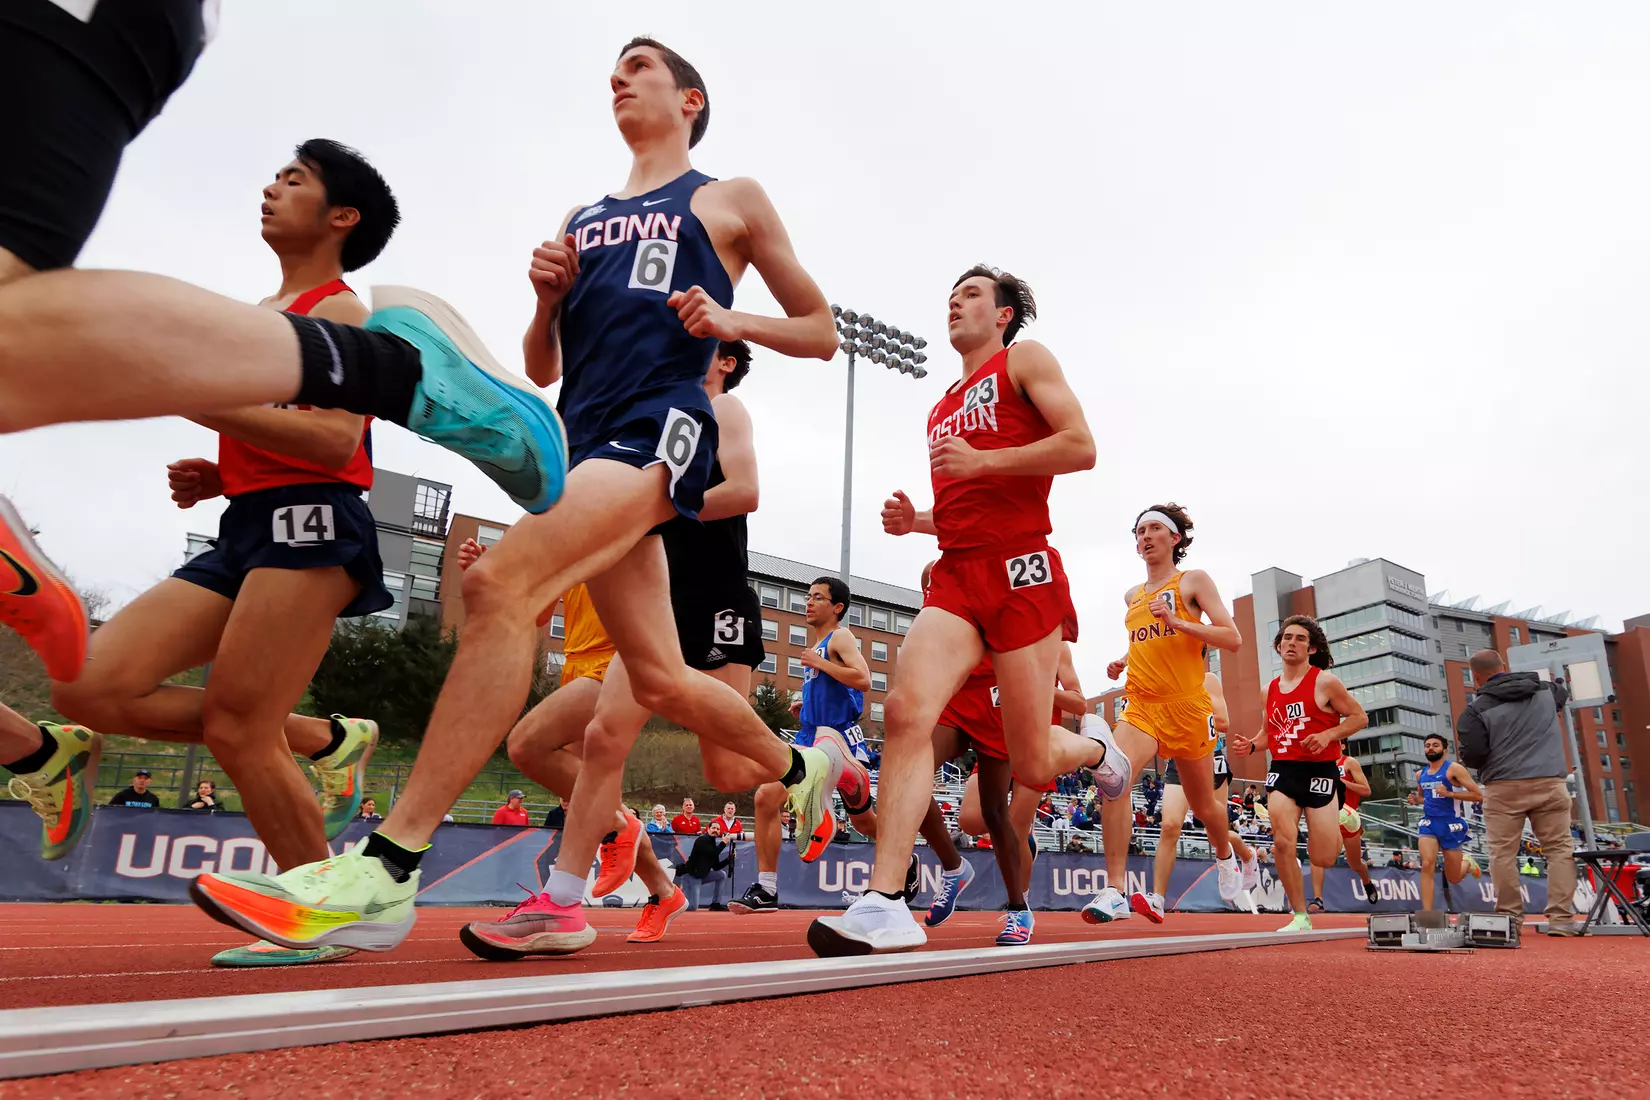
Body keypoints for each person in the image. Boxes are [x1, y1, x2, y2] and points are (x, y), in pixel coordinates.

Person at [190, 38, 840, 956]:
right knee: (656, 674)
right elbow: (547, 365)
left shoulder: (726, 198)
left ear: (689, 100)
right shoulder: (582, 216)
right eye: (612, 71)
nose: (618, 80)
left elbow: (819, 331)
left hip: (661, 428)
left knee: (500, 586)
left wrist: (733, 319)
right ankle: (801, 764)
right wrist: (546, 300)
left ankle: (385, 868)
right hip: (581, 432)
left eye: (639, 68)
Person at [43, 143, 388, 883]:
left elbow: (334, 441)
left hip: (313, 523)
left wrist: (184, 396)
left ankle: (319, 902)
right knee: (89, 687)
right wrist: (228, 472)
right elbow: (275, 425)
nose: (269, 187)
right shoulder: (258, 316)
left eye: (293, 180)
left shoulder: (340, 308)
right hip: (248, 526)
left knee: (239, 729)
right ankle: (327, 740)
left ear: (340, 217)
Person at [810, 266, 1127, 957]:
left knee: (1035, 762)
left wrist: (986, 464)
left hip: (1022, 571)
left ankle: (1101, 749)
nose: (955, 303)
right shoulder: (941, 405)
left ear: (1005, 314)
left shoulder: (1027, 361)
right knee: (904, 712)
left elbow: (1081, 446)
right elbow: (967, 511)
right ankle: (887, 898)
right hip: (957, 575)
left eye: (972, 294)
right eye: (950, 296)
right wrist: (918, 522)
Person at [467, 338, 786, 954]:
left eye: (706, 347)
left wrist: (657, 506)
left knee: (726, 769)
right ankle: (563, 902)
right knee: (593, 739)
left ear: (726, 362)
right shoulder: (659, 422)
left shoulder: (726, 412)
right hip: (658, 603)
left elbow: (744, 491)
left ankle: (816, 772)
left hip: (715, 603)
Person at [1085, 504, 1249, 924]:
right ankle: (1115, 891)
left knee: (1205, 806)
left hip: (1189, 707)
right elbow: (1150, 640)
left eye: (1154, 528)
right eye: (1139, 531)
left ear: (1175, 538)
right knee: (1113, 776)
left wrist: (1178, 621)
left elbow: (1231, 638)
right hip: (1142, 705)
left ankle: (1226, 854)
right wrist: (1124, 660)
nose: (1145, 536)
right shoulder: (1132, 596)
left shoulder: (1192, 581)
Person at [734, 576, 877, 914]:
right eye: (807, 596)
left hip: (839, 739)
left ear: (837, 607)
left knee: (864, 823)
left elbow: (864, 679)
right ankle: (767, 888)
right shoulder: (815, 648)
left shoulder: (839, 637)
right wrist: (806, 709)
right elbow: (835, 688)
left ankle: (900, 859)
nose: (808, 602)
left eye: (818, 597)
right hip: (811, 735)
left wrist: (821, 664)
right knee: (766, 798)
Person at [1229, 616, 1367, 931]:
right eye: (1287, 638)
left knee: (1323, 859)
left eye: (1300, 638)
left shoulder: (1325, 682)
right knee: (1282, 840)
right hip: (1284, 770)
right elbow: (1269, 733)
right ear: (1278, 647)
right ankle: (1300, 916)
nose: (1292, 642)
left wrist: (1328, 736)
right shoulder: (1269, 690)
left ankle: (1344, 818)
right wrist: (1251, 746)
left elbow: (1359, 717)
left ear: (1312, 647)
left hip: (1321, 770)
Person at [1455, 649, 1579, 936]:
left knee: (1502, 854)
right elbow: (1562, 692)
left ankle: (1510, 919)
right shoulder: (1546, 692)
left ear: (1475, 677)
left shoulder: (1475, 711)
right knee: (1559, 850)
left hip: (1504, 787)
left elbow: (1472, 755)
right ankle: (1561, 919)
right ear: (1505, 666)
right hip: (1550, 782)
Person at [1144, 666, 1260, 921]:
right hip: (1178, 759)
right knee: (1170, 826)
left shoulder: (1208, 680)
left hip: (1210, 758)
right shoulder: (1163, 680)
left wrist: (1184, 711)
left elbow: (1223, 723)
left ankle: (1245, 855)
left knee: (1214, 832)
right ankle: (1157, 899)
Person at [1408, 733, 1483, 912]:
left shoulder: (1454, 770)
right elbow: (1425, 798)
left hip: (1452, 824)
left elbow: (1478, 796)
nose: (1431, 748)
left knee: (1454, 878)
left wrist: (1450, 794)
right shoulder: (1421, 774)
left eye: (1435, 745)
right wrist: (1416, 800)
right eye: (1427, 745)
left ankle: (1467, 863)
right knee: (1427, 864)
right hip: (1429, 823)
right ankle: (1427, 914)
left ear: (1445, 749)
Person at [1310, 743, 1378, 908]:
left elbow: (1366, 790)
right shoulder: (1318, 765)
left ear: (1342, 745)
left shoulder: (1349, 763)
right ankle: (1318, 899)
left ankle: (1367, 882)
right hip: (1326, 815)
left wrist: (1341, 782)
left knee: (1355, 863)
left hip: (1348, 817)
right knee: (1315, 855)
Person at [676, 821, 735, 911]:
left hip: (702, 875)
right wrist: (723, 843)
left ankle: (716, 903)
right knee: (693, 907)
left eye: (718, 829)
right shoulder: (702, 840)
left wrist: (728, 859)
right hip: (692, 876)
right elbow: (712, 853)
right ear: (708, 829)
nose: (715, 830)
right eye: (713, 828)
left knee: (721, 875)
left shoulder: (712, 843)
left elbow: (716, 867)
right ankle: (675, 904)